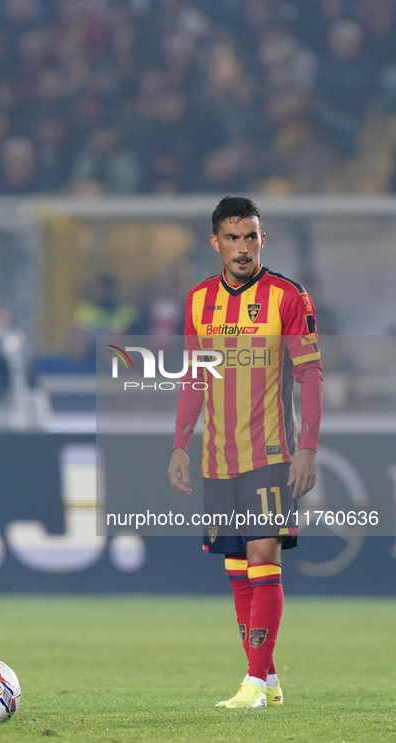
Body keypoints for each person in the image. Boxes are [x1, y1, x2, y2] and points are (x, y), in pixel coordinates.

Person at [167, 195, 323, 709]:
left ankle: (253, 685)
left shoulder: (288, 296)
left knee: (263, 553)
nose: (242, 247)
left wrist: (307, 448)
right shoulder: (197, 302)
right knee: (238, 567)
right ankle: (268, 678)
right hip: (218, 457)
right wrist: (180, 445)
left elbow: (310, 374)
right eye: (231, 238)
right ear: (215, 242)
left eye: (250, 236)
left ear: (263, 239)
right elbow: (195, 376)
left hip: (272, 451)